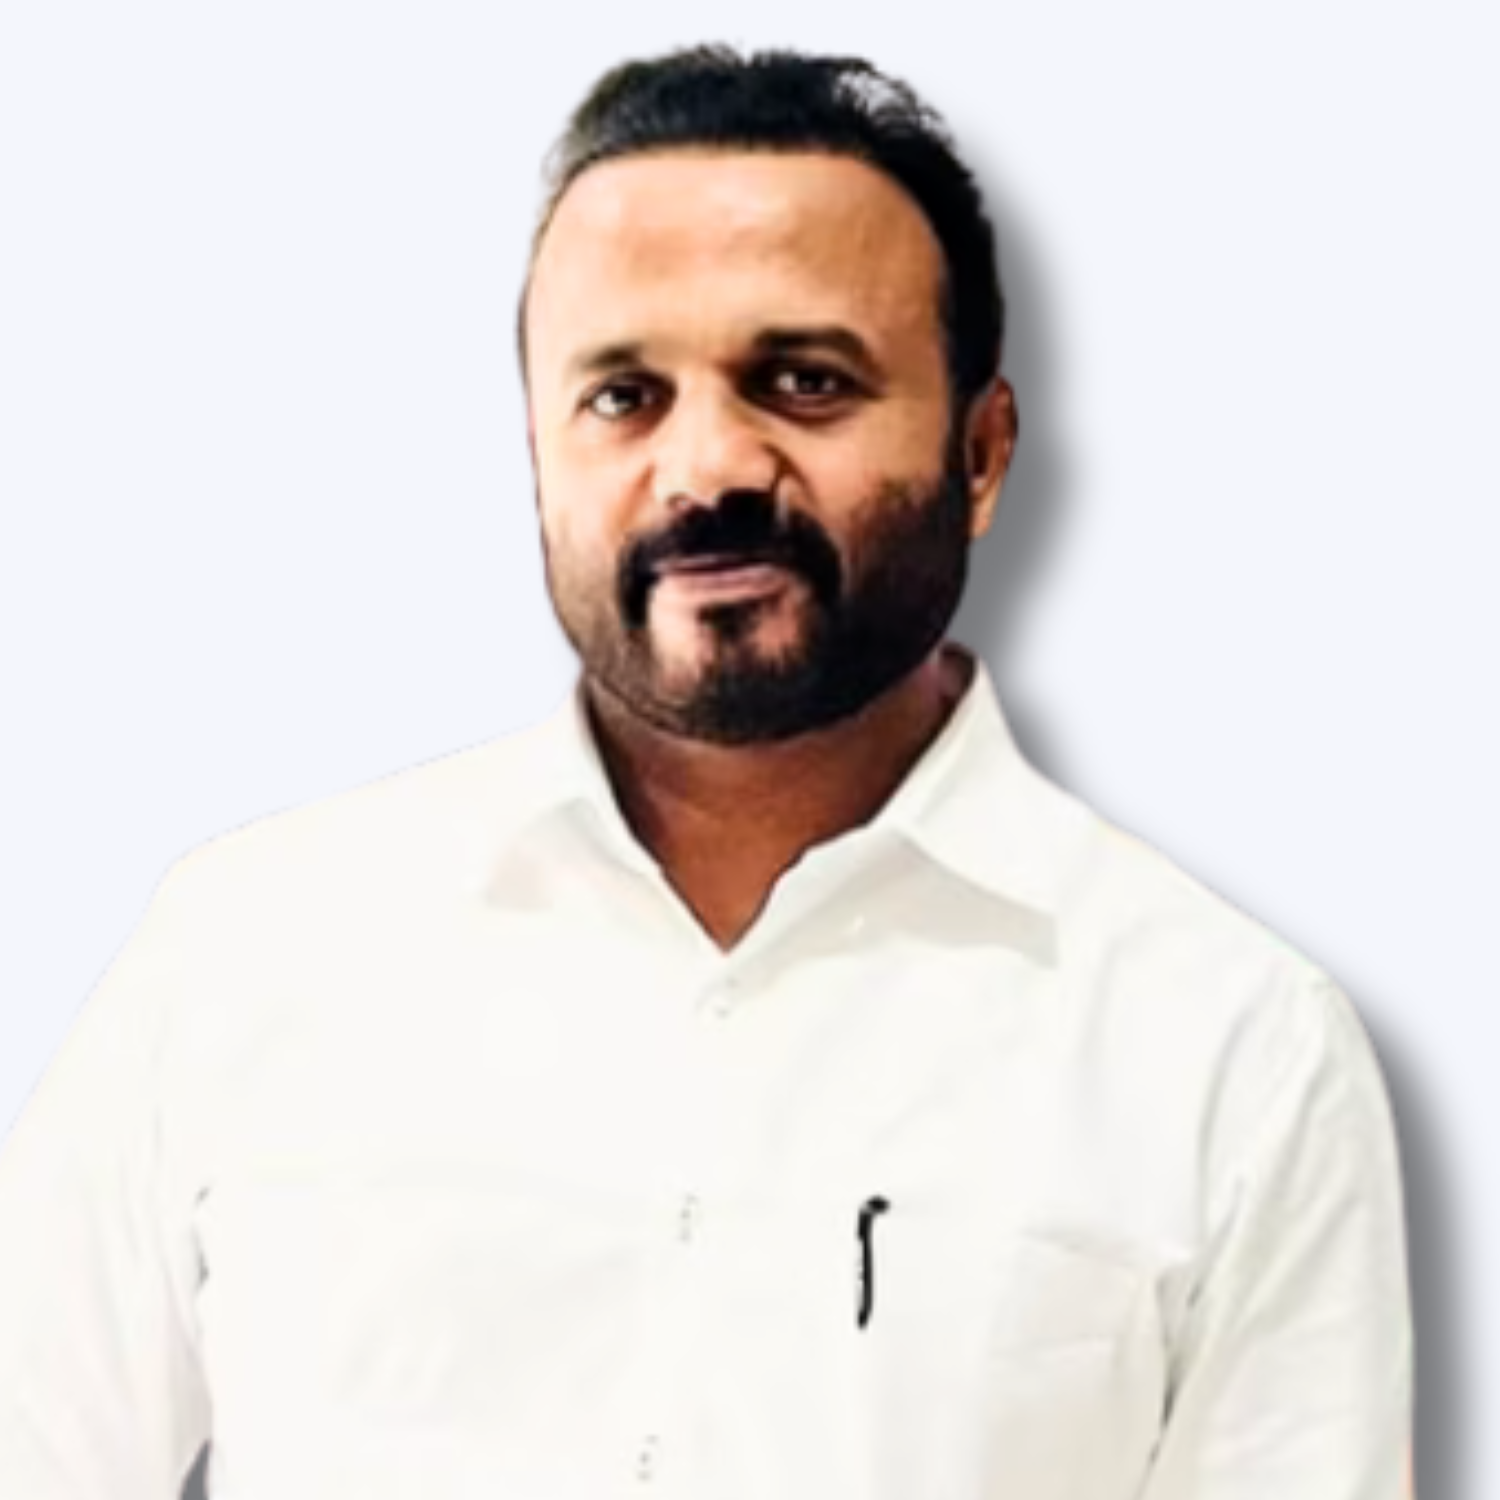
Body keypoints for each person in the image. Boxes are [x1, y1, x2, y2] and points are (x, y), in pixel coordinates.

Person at [0, 44, 1413, 1500]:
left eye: (804, 382)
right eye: (624, 396)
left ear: (982, 453)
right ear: (537, 454)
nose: (708, 469)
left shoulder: (1230, 1050)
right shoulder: (250, 952)